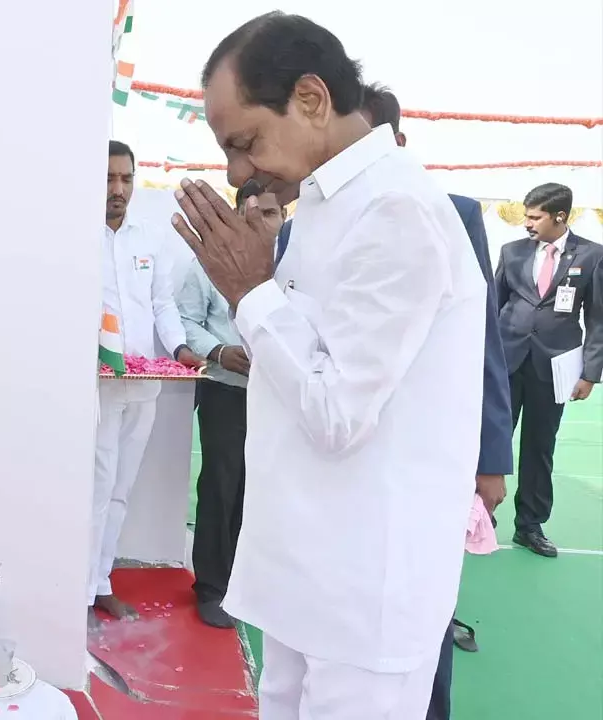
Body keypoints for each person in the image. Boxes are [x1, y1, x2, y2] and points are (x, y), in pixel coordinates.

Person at [172, 13, 485, 718]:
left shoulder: (397, 209)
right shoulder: (325, 204)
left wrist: (250, 293)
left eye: (244, 142)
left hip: (363, 595)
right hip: (305, 572)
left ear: (311, 99)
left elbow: (338, 411)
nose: (236, 171)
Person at [351, 81, 514, 720]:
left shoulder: (456, 212)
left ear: (398, 139)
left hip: (430, 458)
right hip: (351, 454)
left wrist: (492, 454)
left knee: (424, 612)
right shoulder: (304, 225)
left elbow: (484, 345)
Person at [93, 140, 204, 625]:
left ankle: (100, 584)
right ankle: (77, 591)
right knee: (97, 486)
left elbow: (162, 305)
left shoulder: (150, 237)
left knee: (121, 489)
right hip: (97, 387)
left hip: (147, 380)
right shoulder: (78, 236)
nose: (119, 190)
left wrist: (179, 349)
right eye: (110, 179)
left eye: (127, 179)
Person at [176, 179, 284, 629]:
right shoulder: (207, 265)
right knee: (223, 484)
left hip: (281, 395)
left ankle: (252, 585)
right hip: (226, 389)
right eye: (254, 213)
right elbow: (184, 319)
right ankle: (213, 586)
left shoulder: (294, 263)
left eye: (272, 214)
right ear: (239, 214)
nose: (263, 223)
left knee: (266, 489)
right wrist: (220, 352)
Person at [496, 182, 603, 557]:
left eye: (534, 216)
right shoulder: (511, 252)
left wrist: (590, 373)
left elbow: (598, 318)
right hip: (507, 362)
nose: (527, 223)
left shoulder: (591, 255)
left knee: (540, 447)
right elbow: (495, 307)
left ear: (559, 216)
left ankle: (529, 525)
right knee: (491, 441)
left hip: (554, 366)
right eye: (526, 215)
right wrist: (486, 362)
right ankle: (477, 515)